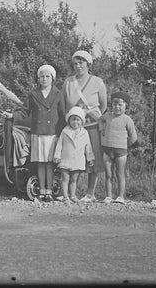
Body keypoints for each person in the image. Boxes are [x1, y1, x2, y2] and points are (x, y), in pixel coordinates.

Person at [5, 65, 65, 202]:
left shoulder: (58, 94)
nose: (44, 79)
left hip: (52, 133)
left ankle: (49, 191)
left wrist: (60, 133)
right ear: (38, 78)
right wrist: (12, 115)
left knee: (50, 163)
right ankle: (42, 191)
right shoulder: (33, 94)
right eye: (42, 76)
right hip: (37, 133)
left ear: (52, 78)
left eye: (47, 76)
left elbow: (62, 115)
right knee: (40, 163)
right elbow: (24, 111)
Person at [62, 50, 107, 202]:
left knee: (92, 158)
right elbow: (63, 103)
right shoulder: (68, 82)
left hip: (92, 125)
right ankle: (69, 193)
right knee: (72, 158)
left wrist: (90, 115)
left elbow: (103, 105)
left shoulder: (97, 81)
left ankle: (90, 193)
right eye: (75, 63)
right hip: (73, 126)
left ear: (88, 63)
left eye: (81, 62)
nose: (78, 66)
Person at [99, 91, 138, 204]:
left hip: (121, 152)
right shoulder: (107, 116)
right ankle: (108, 196)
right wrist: (102, 130)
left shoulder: (127, 119)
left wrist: (129, 147)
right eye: (115, 104)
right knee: (108, 174)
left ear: (126, 106)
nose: (117, 107)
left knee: (120, 174)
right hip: (107, 150)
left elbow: (133, 135)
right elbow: (100, 120)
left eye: (120, 104)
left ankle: (120, 196)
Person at [53, 106, 94, 203]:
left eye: (78, 120)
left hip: (77, 160)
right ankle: (65, 196)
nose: (75, 122)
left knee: (74, 179)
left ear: (82, 121)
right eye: (73, 120)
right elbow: (59, 144)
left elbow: (88, 146)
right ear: (69, 121)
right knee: (65, 178)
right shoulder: (65, 131)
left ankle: (73, 195)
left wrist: (90, 158)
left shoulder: (84, 133)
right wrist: (57, 156)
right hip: (65, 158)